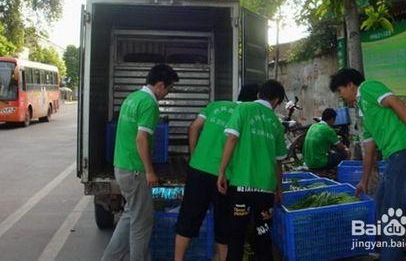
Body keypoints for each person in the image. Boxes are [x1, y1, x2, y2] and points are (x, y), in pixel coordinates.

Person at [329, 68, 406, 261]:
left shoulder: (367, 88)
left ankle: (391, 256)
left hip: (405, 150)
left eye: (341, 91)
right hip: (395, 157)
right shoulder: (365, 113)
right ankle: (383, 250)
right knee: (381, 202)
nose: (342, 97)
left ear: (351, 85)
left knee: (393, 209)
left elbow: (395, 102)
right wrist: (363, 181)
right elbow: (369, 151)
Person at [102, 64, 179, 261]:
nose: (167, 94)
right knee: (142, 224)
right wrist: (149, 171)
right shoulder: (149, 104)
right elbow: (141, 138)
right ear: (160, 85)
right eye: (169, 89)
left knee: (131, 215)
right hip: (135, 171)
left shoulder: (132, 97)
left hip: (122, 166)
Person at [174, 84, 259, 261]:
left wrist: (194, 155)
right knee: (223, 226)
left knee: (188, 219)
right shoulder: (249, 115)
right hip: (225, 177)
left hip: (197, 169)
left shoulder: (216, 105)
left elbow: (193, 127)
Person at [217, 80, 287, 261]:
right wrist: (279, 189)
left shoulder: (243, 109)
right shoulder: (276, 123)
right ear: (276, 100)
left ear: (259, 95)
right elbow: (278, 162)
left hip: (241, 186)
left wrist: (222, 171)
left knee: (236, 237)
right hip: (265, 188)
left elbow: (231, 140)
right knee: (262, 235)